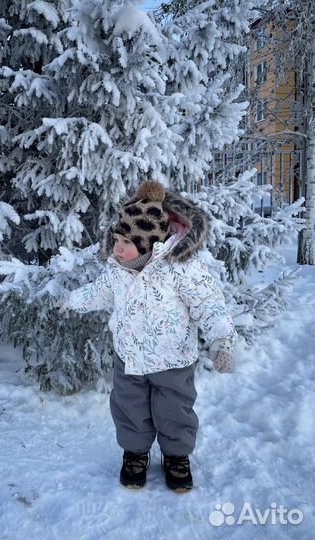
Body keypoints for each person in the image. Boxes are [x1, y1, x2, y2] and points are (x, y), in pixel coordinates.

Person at [61, 180, 236, 492]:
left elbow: (208, 302)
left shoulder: (180, 268)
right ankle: (135, 453)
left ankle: (177, 456)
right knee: (129, 408)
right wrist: (74, 300)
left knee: (174, 410)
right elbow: (99, 293)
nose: (116, 247)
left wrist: (221, 338)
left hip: (173, 359)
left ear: (147, 243)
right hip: (129, 356)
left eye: (124, 242)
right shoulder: (116, 269)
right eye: (115, 238)